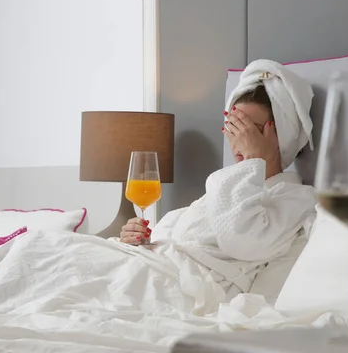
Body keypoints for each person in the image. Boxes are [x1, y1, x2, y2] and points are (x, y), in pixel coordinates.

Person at [117, 59, 317, 306]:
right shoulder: (229, 186)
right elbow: (183, 237)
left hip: (184, 289)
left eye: (249, 129)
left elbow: (242, 241)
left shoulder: (295, 197)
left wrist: (253, 159)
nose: (238, 139)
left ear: (280, 133)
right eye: (233, 127)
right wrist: (140, 240)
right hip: (155, 269)